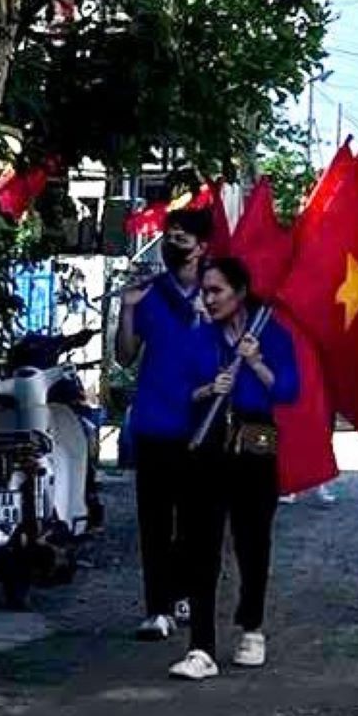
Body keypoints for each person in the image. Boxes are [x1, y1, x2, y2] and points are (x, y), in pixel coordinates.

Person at [169, 258, 300, 681]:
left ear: (240, 292)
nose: (208, 300)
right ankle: (200, 647)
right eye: (204, 291)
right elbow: (175, 391)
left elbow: (288, 389)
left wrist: (257, 362)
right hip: (207, 447)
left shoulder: (270, 333)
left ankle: (252, 626)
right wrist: (210, 388)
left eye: (216, 291)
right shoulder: (199, 339)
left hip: (254, 445)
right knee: (201, 546)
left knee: (252, 540)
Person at [115, 208, 213, 641]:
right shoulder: (150, 294)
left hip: (201, 425)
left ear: (202, 247)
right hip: (154, 422)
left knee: (195, 521)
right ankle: (156, 608)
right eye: (170, 237)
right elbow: (124, 355)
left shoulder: (217, 294)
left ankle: (185, 594)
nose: (175, 246)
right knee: (154, 521)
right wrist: (125, 312)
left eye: (183, 239)